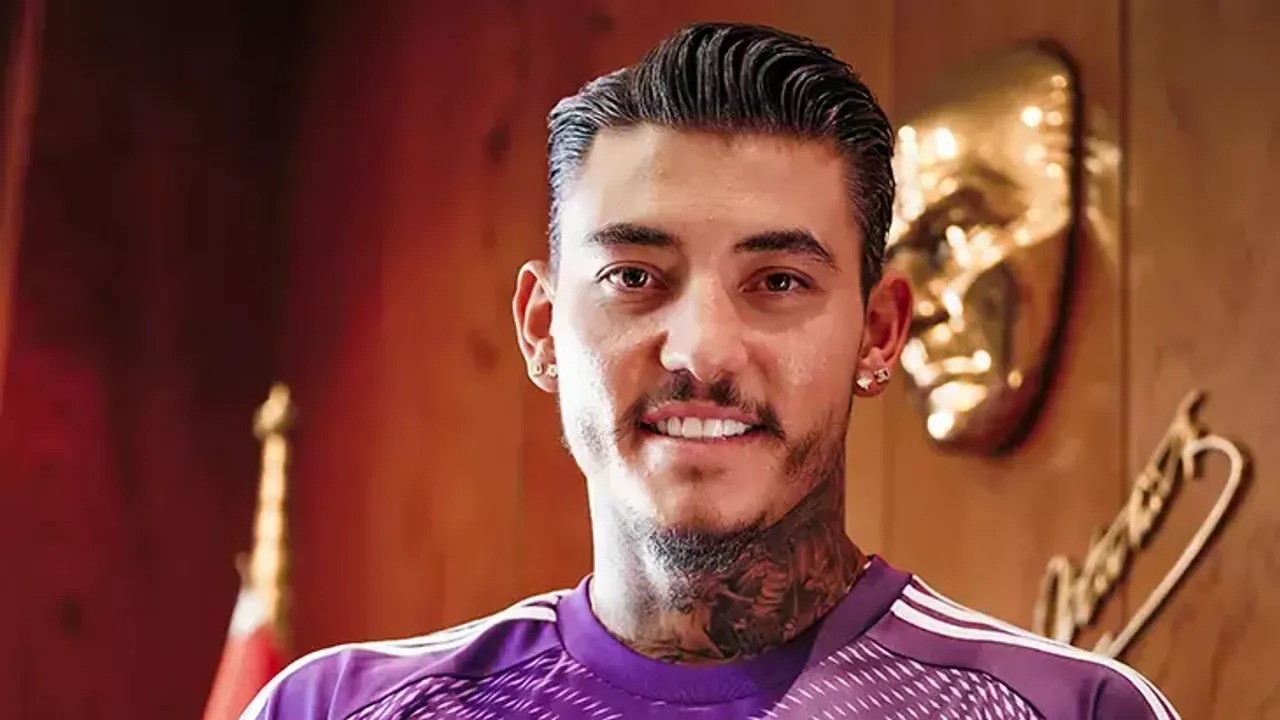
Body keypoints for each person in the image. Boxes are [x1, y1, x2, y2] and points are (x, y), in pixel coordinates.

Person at [243, 22, 1179, 719]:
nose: (701, 351)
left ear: (879, 334)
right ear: (541, 327)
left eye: (778, 281)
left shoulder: (1064, 711)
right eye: (634, 277)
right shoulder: (335, 711)